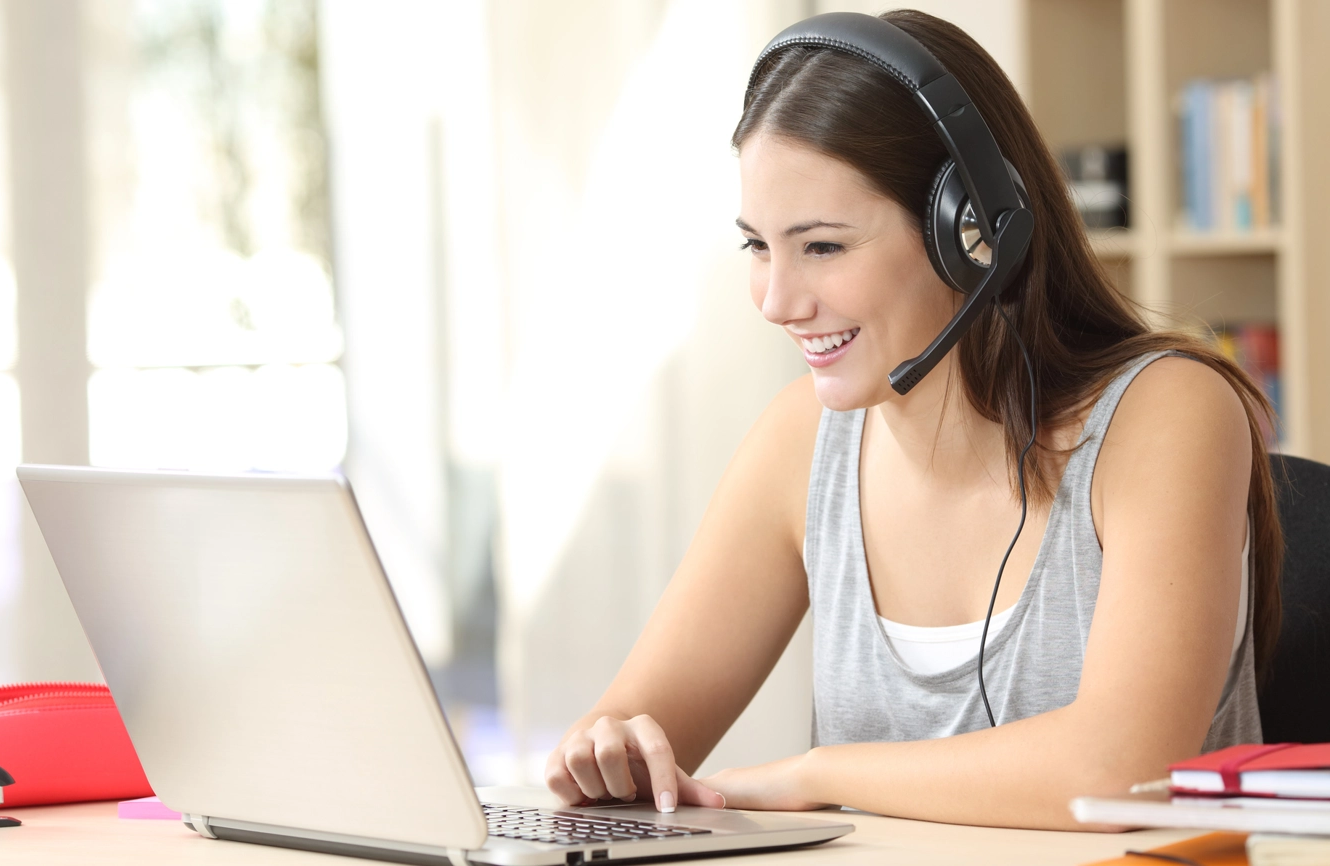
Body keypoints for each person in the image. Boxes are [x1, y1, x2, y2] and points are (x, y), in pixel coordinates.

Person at [544, 9, 1282, 831]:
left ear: (970, 230)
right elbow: (631, 736)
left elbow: (1121, 768)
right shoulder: (801, 445)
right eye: (758, 245)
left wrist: (819, 772)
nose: (776, 301)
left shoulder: (1167, 413)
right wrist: (606, 752)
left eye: (822, 247)